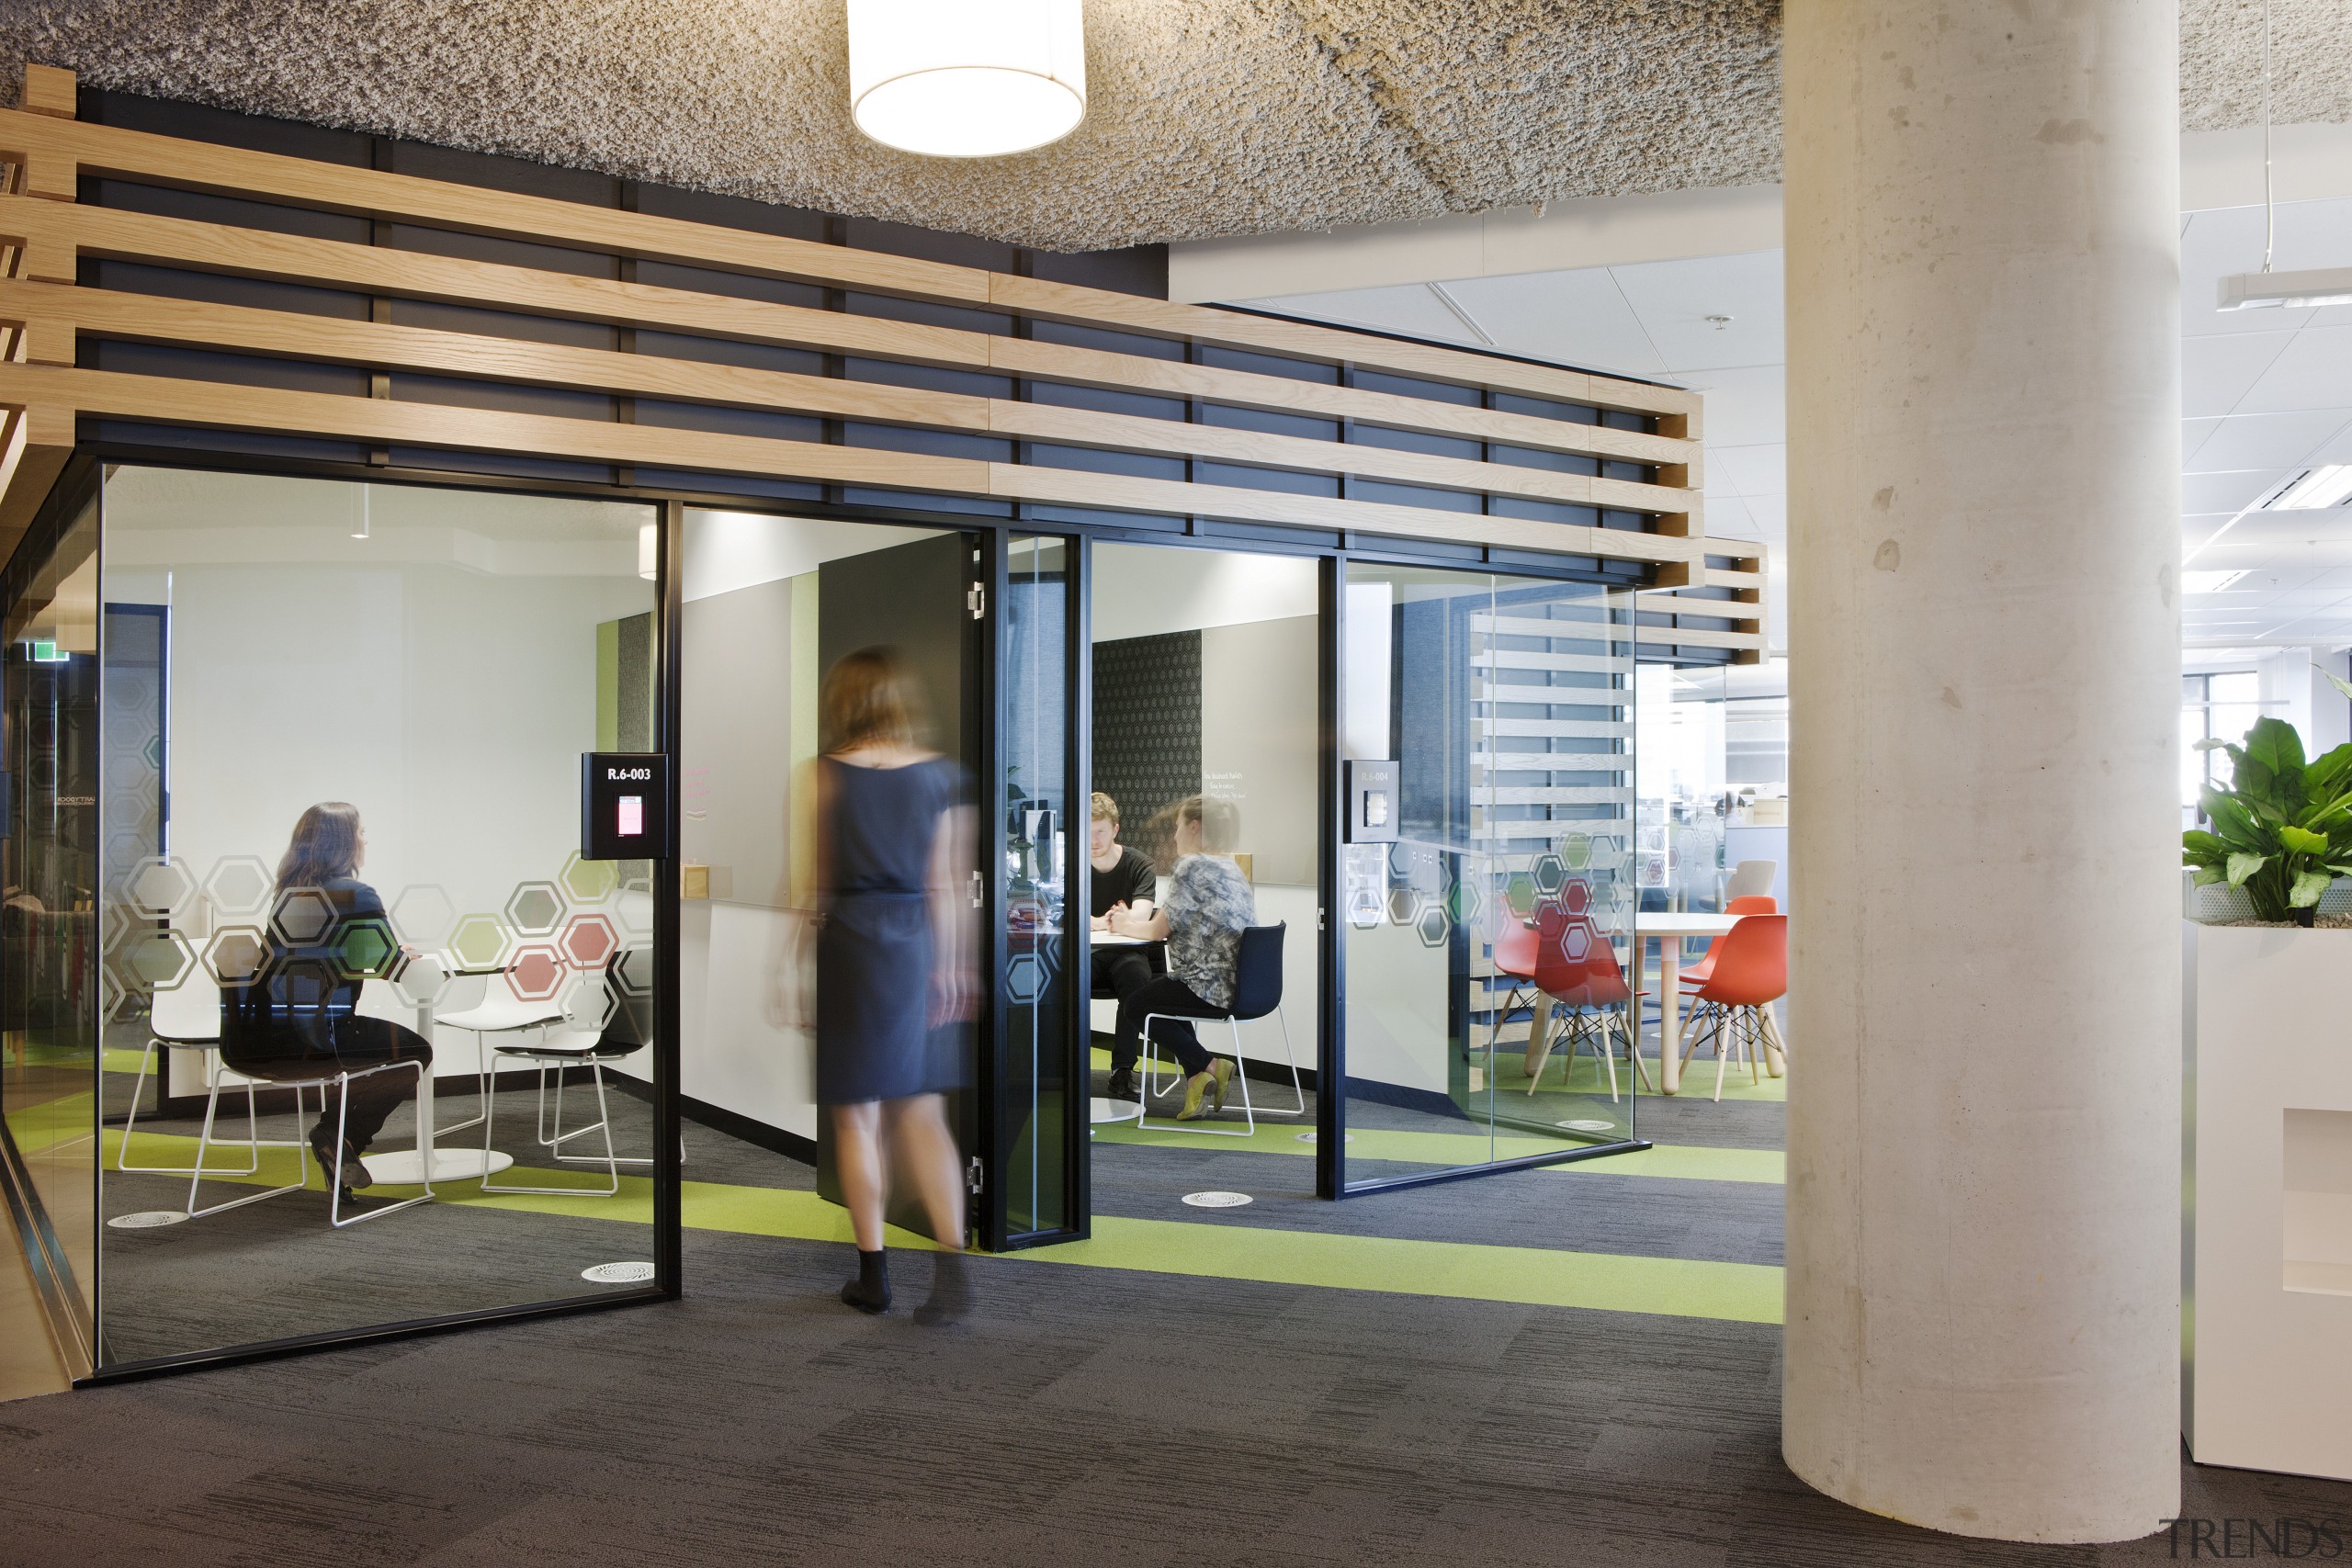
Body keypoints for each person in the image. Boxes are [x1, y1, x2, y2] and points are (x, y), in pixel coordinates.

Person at [787, 647, 978, 1321]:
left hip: (851, 944)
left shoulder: (821, 775)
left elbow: (811, 885)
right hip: (914, 944)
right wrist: (953, 967)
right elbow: (948, 885)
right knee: (924, 1114)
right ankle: (952, 1277)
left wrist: (789, 966)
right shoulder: (942, 777)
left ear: (844, 700)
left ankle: (874, 1277)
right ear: (901, 698)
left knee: (857, 1116)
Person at [219, 802, 431, 1205]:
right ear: (345, 841)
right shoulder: (357, 895)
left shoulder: (288, 896)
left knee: (374, 1052)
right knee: (414, 1051)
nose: (366, 839)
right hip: (321, 1038)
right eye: (362, 832)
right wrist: (398, 952)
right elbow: (389, 966)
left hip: (259, 1039)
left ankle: (338, 1139)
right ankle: (339, 1135)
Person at [1111, 795, 1252, 1119]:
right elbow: (1168, 924)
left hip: (1210, 985)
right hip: (1241, 983)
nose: (1173, 836)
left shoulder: (1193, 865)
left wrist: (1123, 924)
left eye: (1176, 828)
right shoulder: (1227, 866)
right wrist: (1130, 921)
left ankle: (1214, 1066)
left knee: (1136, 1004)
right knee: (1165, 998)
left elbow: (1157, 932)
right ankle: (1195, 1081)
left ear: (1194, 826)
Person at [1086, 792, 1160, 1090]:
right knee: (1060, 979)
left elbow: (1141, 916)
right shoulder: (1070, 863)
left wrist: (1093, 921)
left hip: (1127, 953)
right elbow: (1059, 912)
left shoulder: (1139, 864)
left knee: (1136, 979)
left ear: (1115, 830)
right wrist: (1104, 921)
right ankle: (1066, 1064)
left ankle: (1123, 1070)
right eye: (1087, 833)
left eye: (1100, 832)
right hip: (1084, 953)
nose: (1093, 840)